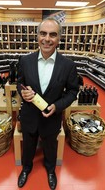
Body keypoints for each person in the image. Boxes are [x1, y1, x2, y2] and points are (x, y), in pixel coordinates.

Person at [16, 17, 79, 189]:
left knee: (50, 146)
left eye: (52, 35)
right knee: (28, 146)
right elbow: (18, 83)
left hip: (51, 118)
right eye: (43, 33)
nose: (47, 39)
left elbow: (73, 92)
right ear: (37, 36)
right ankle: (26, 168)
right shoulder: (25, 61)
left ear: (58, 39)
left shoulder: (68, 65)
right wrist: (23, 92)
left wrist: (57, 106)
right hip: (29, 115)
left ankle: (50, 170)